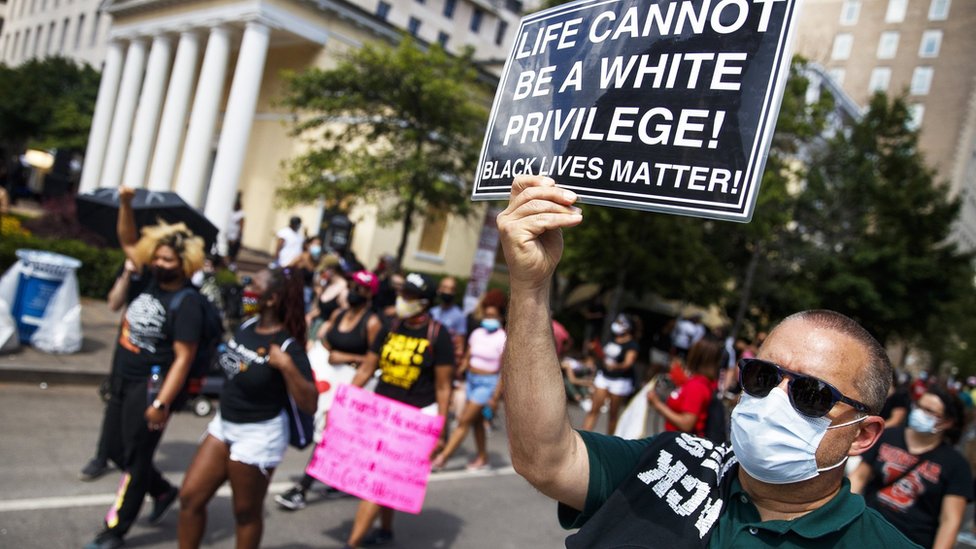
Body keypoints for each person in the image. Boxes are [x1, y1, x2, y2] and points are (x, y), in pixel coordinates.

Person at [496, 176, 918, 548]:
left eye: (810, 393)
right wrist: (530, 285)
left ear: (863, 434)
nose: (774, 400)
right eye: (763, 376)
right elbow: (544, 459)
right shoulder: (672, 461)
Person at [84, 187, 205, 549]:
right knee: (117, 452)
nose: (161, 263)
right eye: (159, 257)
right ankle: (163, 490)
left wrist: (161, 403)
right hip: (122, 376)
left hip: (152, 386)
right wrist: (125, 204)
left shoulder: (188, 303)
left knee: (137, 456)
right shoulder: (146, 280)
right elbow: (128, 241)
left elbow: (183, 358)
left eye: (169, 260)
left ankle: (115, 530)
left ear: (184, 264)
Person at [177, 268, 317, 548]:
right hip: (224, 424)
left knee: (245, 513)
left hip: (259, 435)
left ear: (271, 298)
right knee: (190, 498)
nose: (246, 289)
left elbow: (310, 403)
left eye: (253, 284)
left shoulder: (288, 347)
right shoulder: (246, 326)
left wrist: (287, 367)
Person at [342, 272, 454, 549]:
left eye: (410, 296)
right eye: (402, 293)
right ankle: (386, 530)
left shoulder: (438, 336)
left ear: (425, 302)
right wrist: (344, 403)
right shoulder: (390, 327)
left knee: (378, 479)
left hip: (413, 422)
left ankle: (353, 542)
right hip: (380, 414)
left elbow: (443, 387)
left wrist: (440, 429)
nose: (402, 300)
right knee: (383, 478)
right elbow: (368, 368)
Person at [275, 270, 383, 511]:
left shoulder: (373, 323)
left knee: (329, 434)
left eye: (362, 288)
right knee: (330, 433)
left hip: (354, 383)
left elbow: (374, 360)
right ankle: (338, 479)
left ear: (371, 294)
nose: (356, 291)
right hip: (329, 382)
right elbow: (325, 342)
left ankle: (302, 488)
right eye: (354, 285)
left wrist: (347, 357)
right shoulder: (339, 313)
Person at [850, 388, 973, 548]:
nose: (919, 413)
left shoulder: (956, 464)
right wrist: (848, 515)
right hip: (866, 529)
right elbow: (859, 477)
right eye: (919, 406)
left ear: (947, 422)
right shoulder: (888, 436)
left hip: (910, 542)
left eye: (929, 411)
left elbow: (950, 521)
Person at [79, 259, 141, 481]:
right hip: (125, 351)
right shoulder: (134, 268)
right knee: (114, 403)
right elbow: (114, 303)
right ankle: (102, 456)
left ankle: (141, 471)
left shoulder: (171, 277)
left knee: (138, 416)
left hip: (152, 362)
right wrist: (127, 273)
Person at [432, 303, 506, 471]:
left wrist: (495, 397)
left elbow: (504, 370)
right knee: (476, 422)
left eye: (493, 316)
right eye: (486, 315)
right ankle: (482, 457)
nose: (489, 319)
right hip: (471, 380)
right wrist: (458, 374)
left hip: (488, 384)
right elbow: (467, 357)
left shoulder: (503, 338)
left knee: (464, 420)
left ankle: (443, 457)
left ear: (500, 318)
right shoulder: (477, 333)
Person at [646, 335, 723, 436]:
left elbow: (686, 424)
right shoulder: (700, 382)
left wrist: (657, 404)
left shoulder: (697, 387)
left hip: (679, 444)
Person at [581, 313, 639, 435]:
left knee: (613, 414)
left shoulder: (632, 345)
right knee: (594, 409)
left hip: (620, 381)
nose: (616, 325)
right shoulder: (612, 338)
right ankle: (583, 436)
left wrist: (616, 366)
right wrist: (595, 350)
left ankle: (610, 440)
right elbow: (604, 356)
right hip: (604, 376)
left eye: (620, 323)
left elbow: (628, 363)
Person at [429, 276, 467, 364]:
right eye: (445, 288)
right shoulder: (432, 311)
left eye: (451, 289)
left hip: (445, 359)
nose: (447, 292)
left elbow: (460, 343)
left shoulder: (459, 316)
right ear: (439, 289)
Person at [226, 194, 245, 271]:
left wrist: (238, 238)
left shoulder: (241, 214)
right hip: (229, 235)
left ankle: (231, 267)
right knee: (228, 252)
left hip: (234, 237)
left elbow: (241, 227)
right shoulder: (230, 212)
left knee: (232, 254)